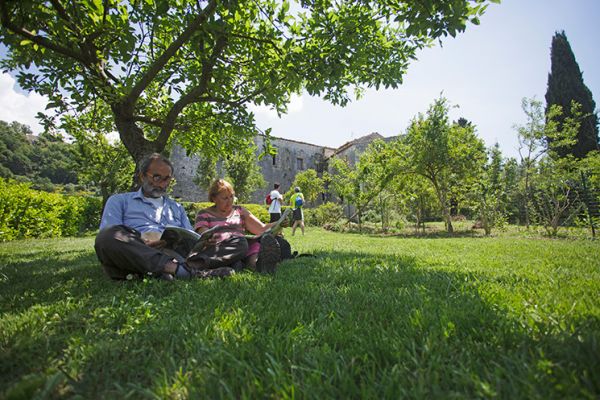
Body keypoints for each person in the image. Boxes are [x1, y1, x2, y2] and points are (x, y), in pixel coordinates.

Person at [94, 153, 233, 281]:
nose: (162, 183)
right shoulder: (119, 201)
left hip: (175, 255)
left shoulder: (177, 208)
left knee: (238, 242)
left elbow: (190, 239)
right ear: (142, 176)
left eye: (167, 179)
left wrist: (202, 242)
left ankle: (164, 271)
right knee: (106, 236)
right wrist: (141, 242)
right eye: (157, 177)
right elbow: (109, 232)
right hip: (137, 251)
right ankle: (184, 271)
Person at [194, 179, 281, 273]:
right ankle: (234, 262)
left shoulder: (240, 211)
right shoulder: (204, 214)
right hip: (219, 250)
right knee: (241, 243)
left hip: (242, 247)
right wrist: (210, 239)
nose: (230, 201)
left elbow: (261, 229)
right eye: (225, 198)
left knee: (253, 247)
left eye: (231, 196)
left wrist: (279, 223)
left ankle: (258, 265)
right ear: (214, 198)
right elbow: (203, 235)